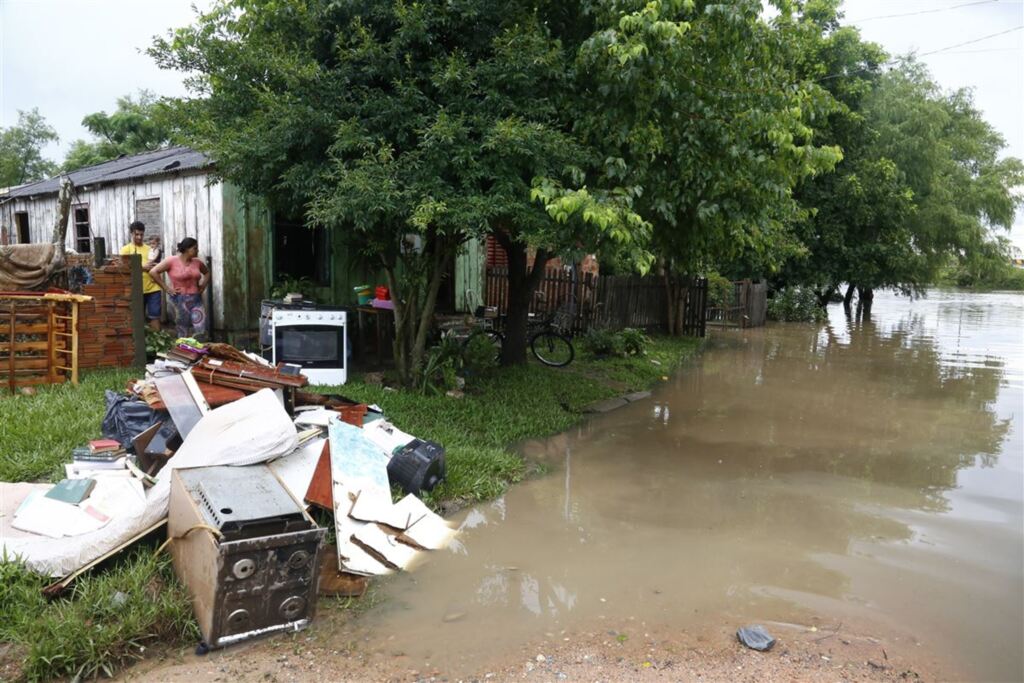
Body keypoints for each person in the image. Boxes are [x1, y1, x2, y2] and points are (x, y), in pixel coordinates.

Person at [150, 237, 210, 340]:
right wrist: (166, 288)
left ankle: (200, 353)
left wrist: (203, 286)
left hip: (196, 300)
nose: (197, 251)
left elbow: (207, 273)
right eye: (195, 248)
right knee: (182, 330)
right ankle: (183, 354)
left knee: (200, 329)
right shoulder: (172, 261)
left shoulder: (197, 262)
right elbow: (153, 272)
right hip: (179, 300)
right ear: (187, 249)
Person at [119, 221, 165, 330]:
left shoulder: (150, 249)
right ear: (131, 234)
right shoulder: (125, 250)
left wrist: (156, 267)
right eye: (136, 234)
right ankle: (141, 343)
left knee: (155, 316)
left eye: (141, 234)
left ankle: (157, 343)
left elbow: (158, 266)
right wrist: (141, 268)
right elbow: (122, 269)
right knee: (138, 317)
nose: (139, 237)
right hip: (136, 289)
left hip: (153, 287)